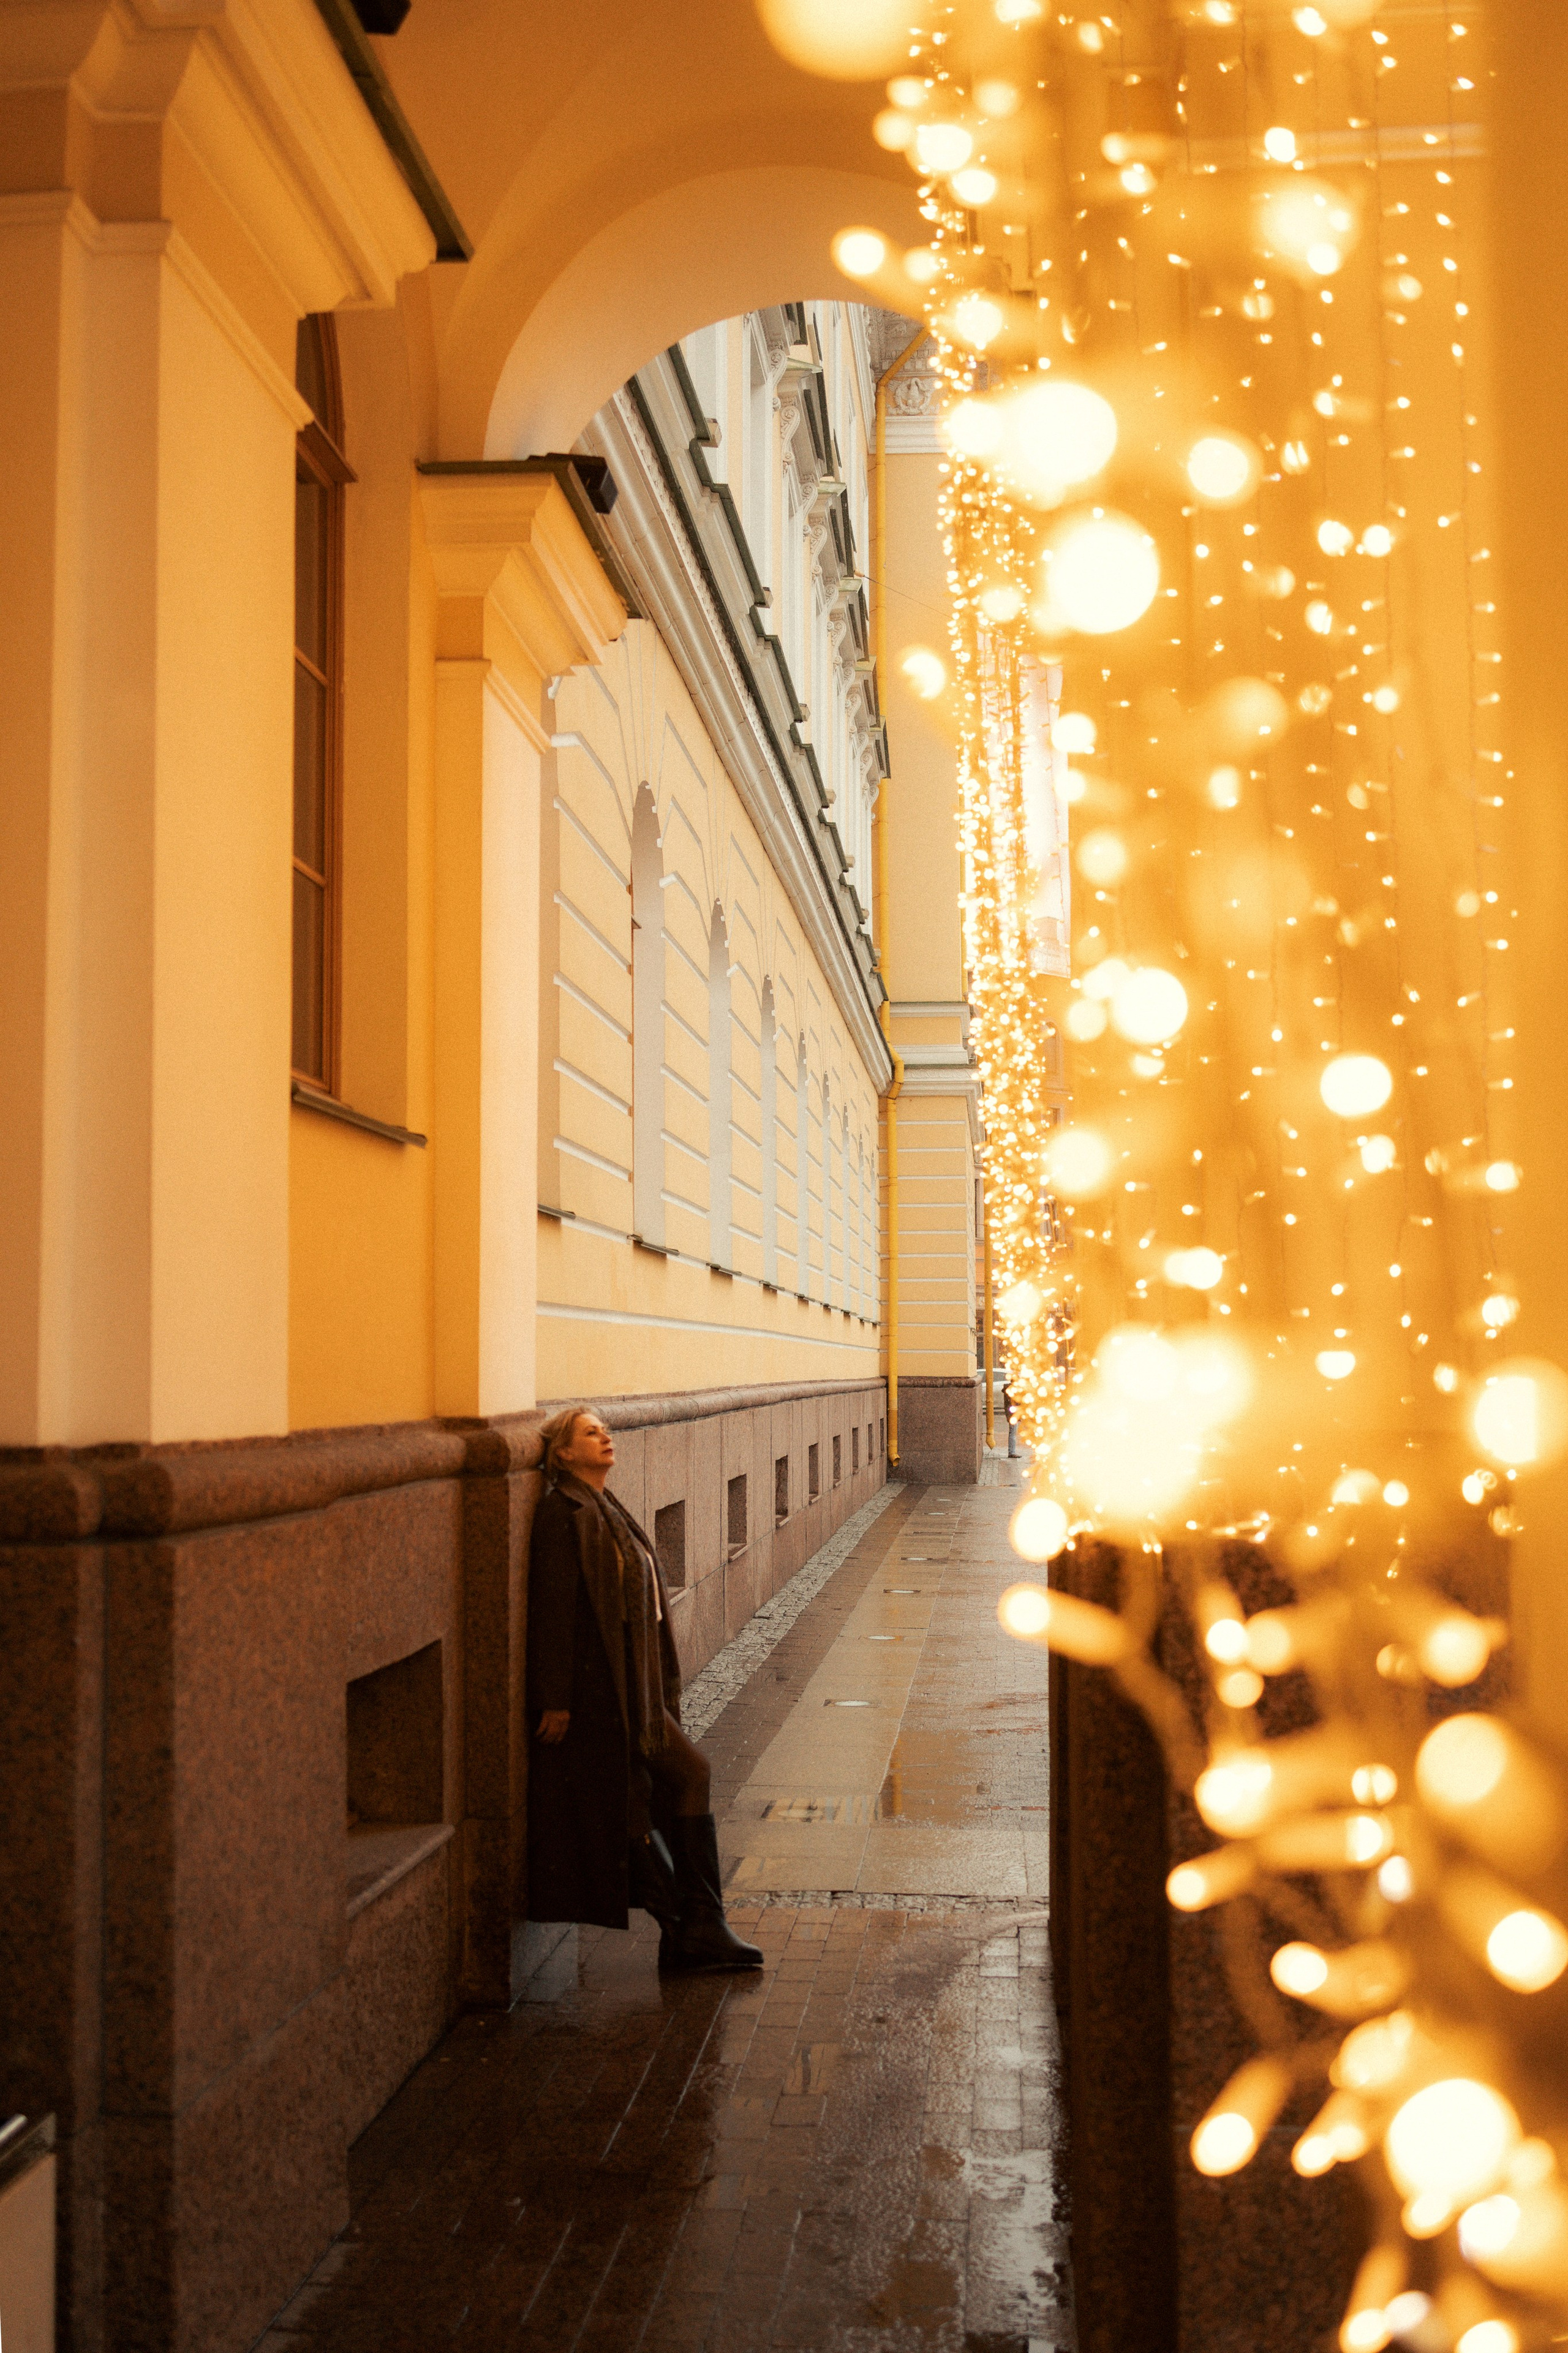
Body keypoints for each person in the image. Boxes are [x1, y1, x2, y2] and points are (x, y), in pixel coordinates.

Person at [526, 1405, 762, 1973]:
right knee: (668, 1786)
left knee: (667, 1787)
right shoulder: (563, 1511)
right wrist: (556, 1698)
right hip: (603, 1691)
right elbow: (553, 1608)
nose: (605, 1436)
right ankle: (691, 1927)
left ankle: (693, 1929)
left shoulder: (604, 1505)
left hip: (638, 1687)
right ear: (564, 1453)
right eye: (590, 1432)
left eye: (605, 1429)